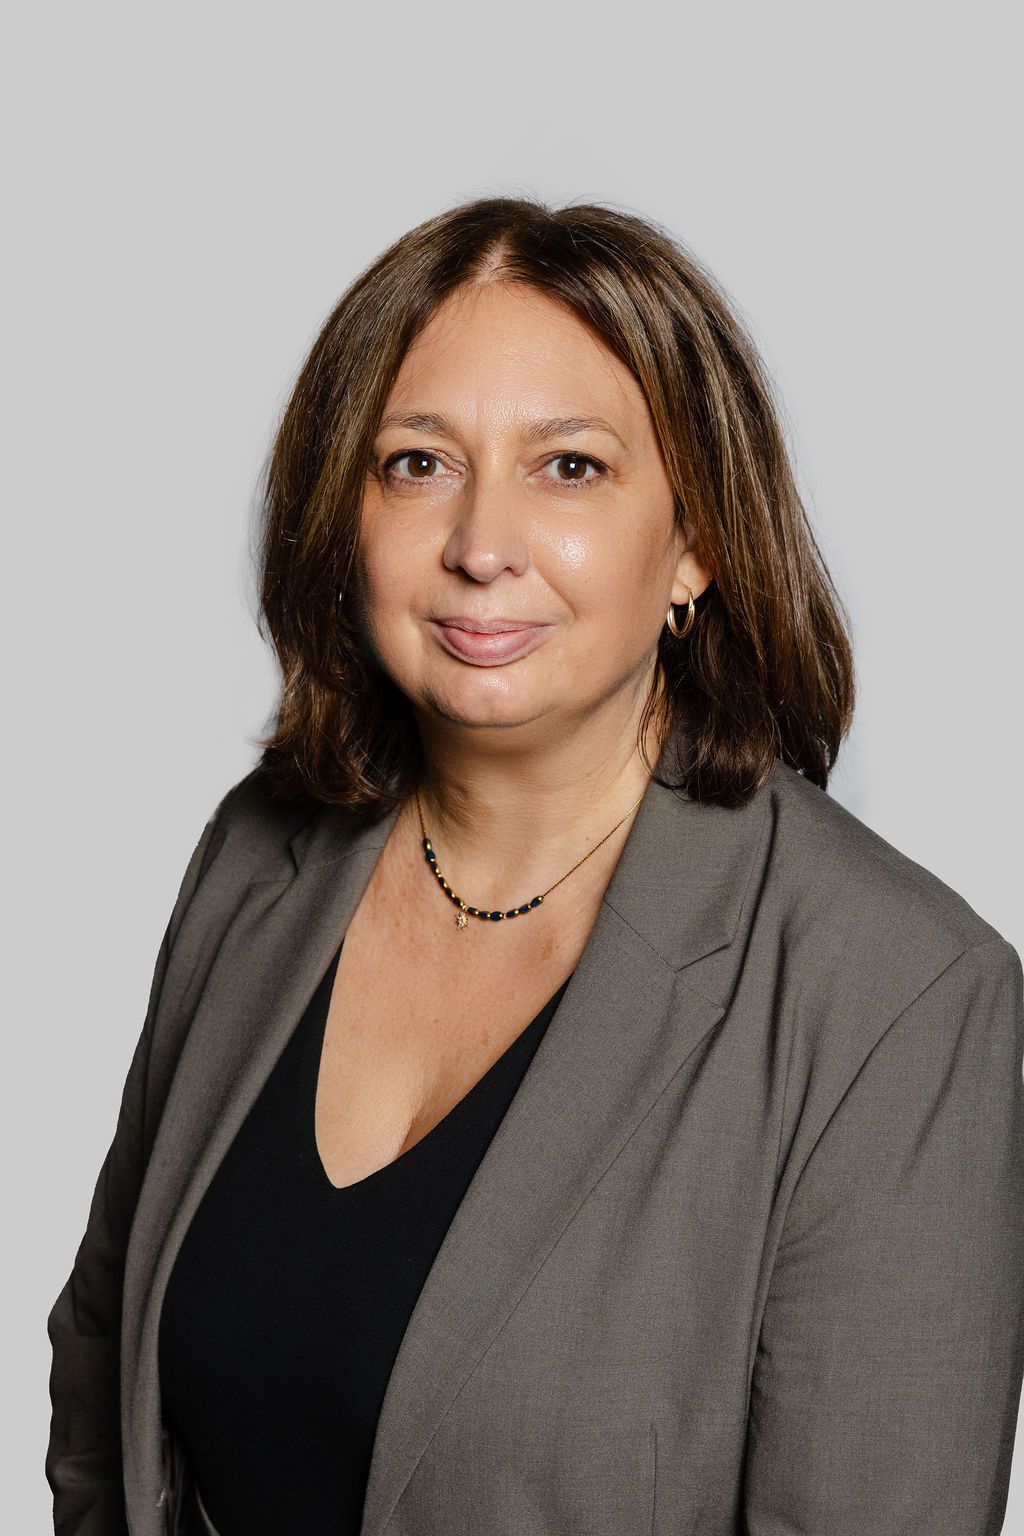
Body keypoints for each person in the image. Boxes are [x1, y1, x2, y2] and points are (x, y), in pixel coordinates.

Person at [45, 195, 1024, 1536]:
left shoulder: (894, 995)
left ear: (697, 543)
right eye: (415, 463)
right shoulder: (253, 861)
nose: (480, 544)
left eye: (570, 467)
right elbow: (107, 1375)